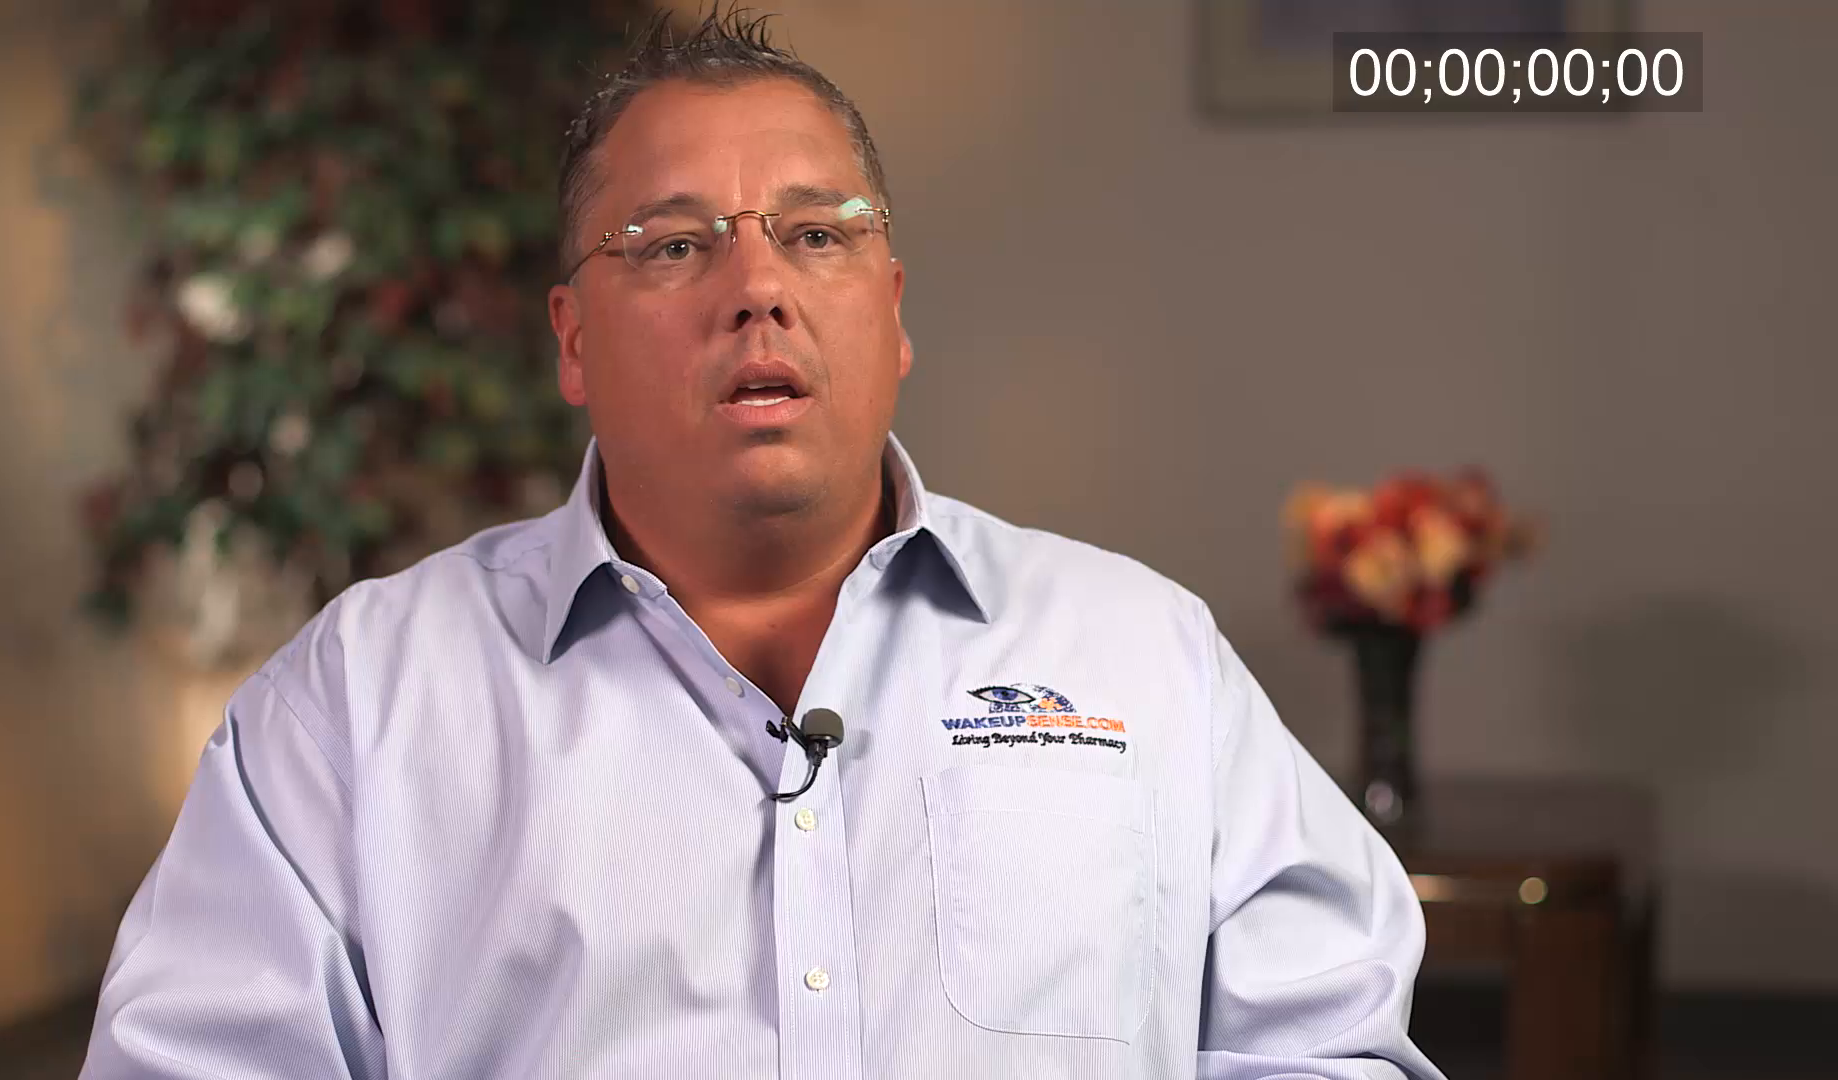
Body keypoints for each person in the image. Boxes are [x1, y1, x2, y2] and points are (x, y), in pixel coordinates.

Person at [82, 10, 1445, 1079]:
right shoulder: (359, 704)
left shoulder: (1142, 655)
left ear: (893, 314)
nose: (759, 288)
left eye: (814, 235)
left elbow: (1328, 1049)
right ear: (571, 340)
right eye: (674, 246)